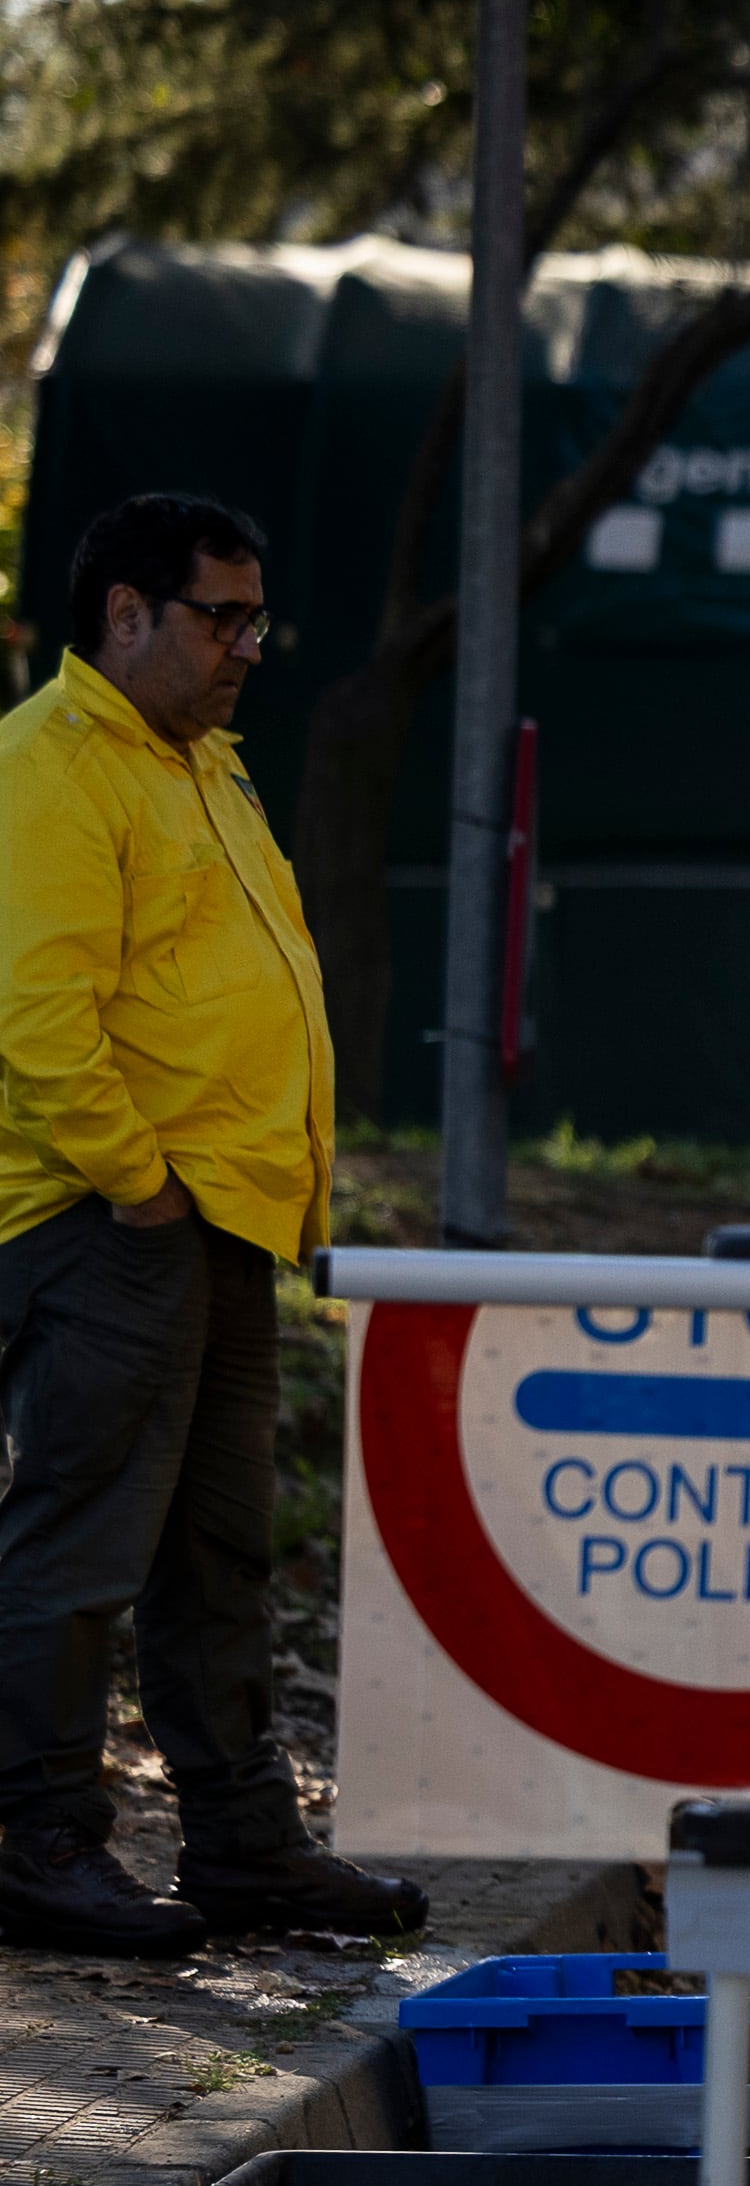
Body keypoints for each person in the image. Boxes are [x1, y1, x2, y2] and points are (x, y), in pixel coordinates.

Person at [0, 494, 425, 1956]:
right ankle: (35, 1843)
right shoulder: (54, 766)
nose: (249, 646)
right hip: (108, 1220)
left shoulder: (201, 763)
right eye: (220, 617)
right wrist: (139, 1186)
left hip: (217, 1221)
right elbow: (36, 1017)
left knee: (219, 1551)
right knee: (83, 1543)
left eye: (257, 618)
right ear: (125, 613)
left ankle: (243, 1845)